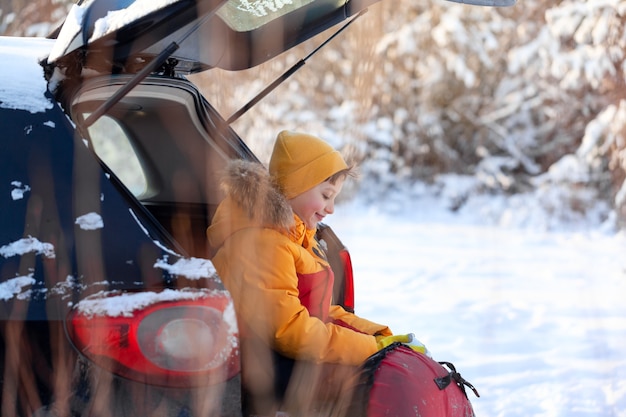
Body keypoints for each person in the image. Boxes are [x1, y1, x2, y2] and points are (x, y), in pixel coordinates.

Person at [207, 130, 425, 417]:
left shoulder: (293, 237)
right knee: (359, 385)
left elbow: (319, 311)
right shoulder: (264, 242)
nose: (331, 209)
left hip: (283, 359)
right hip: (257, 371)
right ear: (296, 187)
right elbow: (290, 330)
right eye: (326, 196)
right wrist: (370, 348)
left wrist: (383, 338)